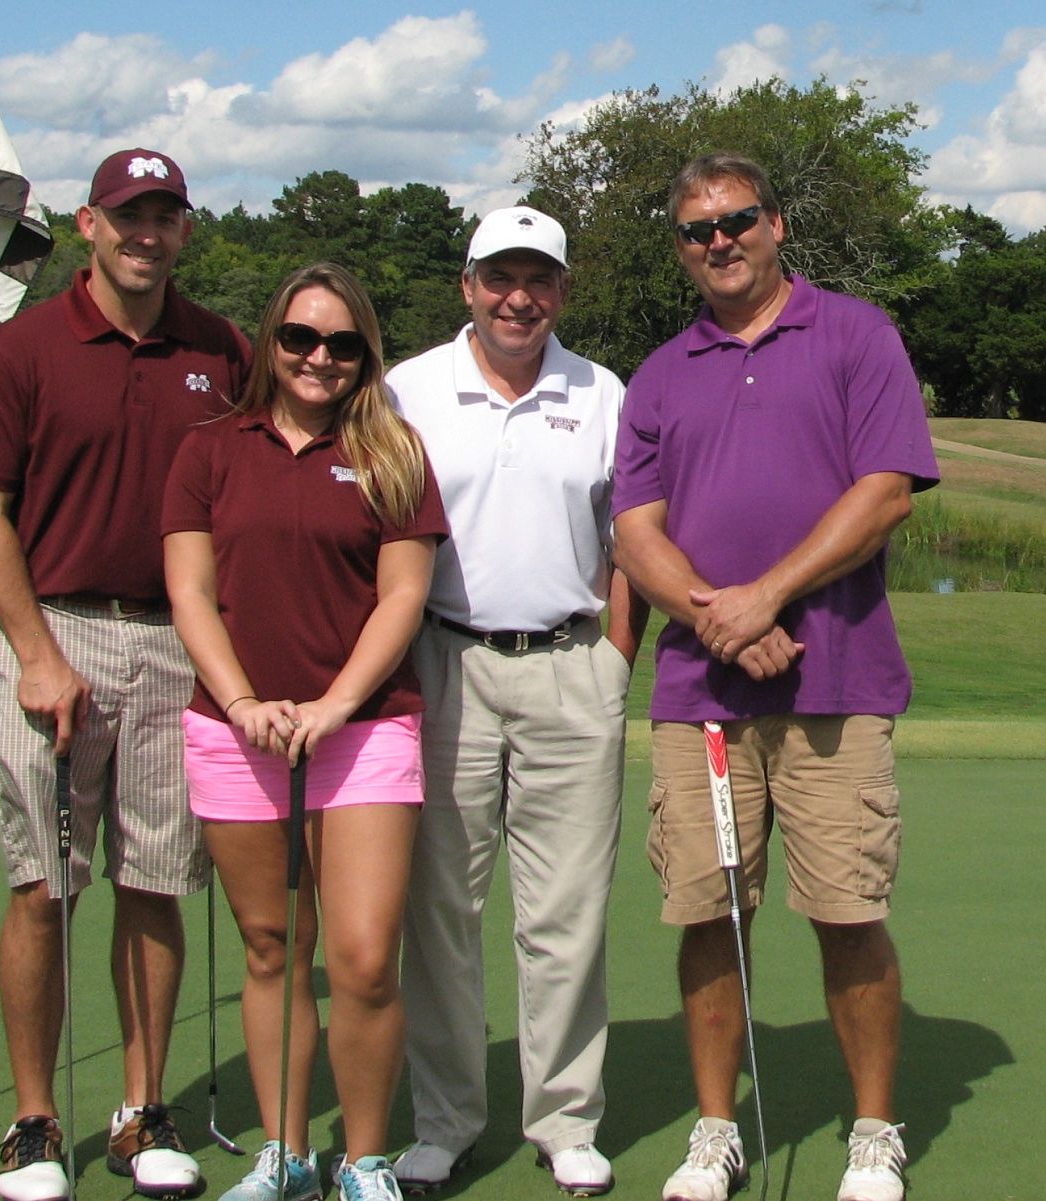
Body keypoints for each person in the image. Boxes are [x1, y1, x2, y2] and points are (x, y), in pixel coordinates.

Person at [611, 152, 940, 1201]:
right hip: (701, 694)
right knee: (710, 917)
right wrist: (720, 617)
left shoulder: (855, 334)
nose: (719, 240)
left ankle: (873, 1131)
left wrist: (768, 596)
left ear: (777, 225)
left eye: (737, 220)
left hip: (836, 683)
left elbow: (886, 490)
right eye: (697, 228)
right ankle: (715, 1131)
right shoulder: (662, 372)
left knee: (848, 910)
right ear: (681, 246)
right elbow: (634, 533)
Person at [0, 147, 253, 1201]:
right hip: (56, 632)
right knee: (44, 884)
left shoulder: (222, 350)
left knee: (157, 881)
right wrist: (36, 652)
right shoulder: (20, 353)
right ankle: (35, 1120)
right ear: (87, 223)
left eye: (166, 216)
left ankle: (140, 1108)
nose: (147, 234)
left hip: (179, 643)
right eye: (129, 215)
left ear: (185, 229)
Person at [161, 262, 448, 1201]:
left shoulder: (393, 449)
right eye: (299, 339)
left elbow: (403, 595)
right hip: (237, 731)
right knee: (274, 946)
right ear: (270, 342)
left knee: (363, 956)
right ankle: (283, 1152)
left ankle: (362, 1160)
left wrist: (334, 705)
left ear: (366, 352)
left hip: (365, 732)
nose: (318, 358)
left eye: (342, 343)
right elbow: (191, 592)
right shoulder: (210, 449)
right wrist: (242, 701)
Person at [385, 206, 646, 1197]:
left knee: (567, 910)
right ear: (467, 284)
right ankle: (446, 1119)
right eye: (500, 276)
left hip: (572, 663)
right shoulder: (409, 388)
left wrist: (615, 660)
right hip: (443, 660)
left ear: (563, 291)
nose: (518, 297)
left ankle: (565, 1118)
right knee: (442, 907)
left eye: (538, 278)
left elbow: (633, 540)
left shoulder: (604, 392)